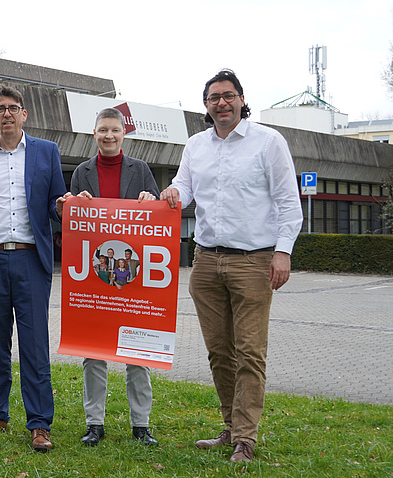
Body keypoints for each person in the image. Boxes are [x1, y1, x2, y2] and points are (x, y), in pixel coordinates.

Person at [160, 69, 303, 463]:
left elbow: (289, 202)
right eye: (213, 98)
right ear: (205, 106)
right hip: (205, 262)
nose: (221, 103)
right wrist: (174, 191)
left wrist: (283, 251)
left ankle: (246, 439)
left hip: (253, 261)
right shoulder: (195, 145)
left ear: (241, 99)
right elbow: (185, 188)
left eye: (228, 96)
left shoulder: (268, 142)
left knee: (249, 352)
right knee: (219, 352)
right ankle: (231, 426)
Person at [0, 84, 66, 452]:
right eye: (1, 108)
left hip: (30, 259)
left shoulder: (46, 152)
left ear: (24, 114)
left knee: (35, 343)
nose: (7, 113)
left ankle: (39, 424)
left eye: (14, 108)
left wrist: (64, 207)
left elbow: (56, 204)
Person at [55, 107, 160, 448]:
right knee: (92, 352)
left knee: (138, 353)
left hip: (134, 278)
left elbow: (158, 221)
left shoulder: (142, 170)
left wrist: (152, 199)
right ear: (95, 133)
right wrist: (72, 204)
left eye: (115, 130)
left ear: (123, 133)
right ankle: (94, 423)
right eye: (103, 130)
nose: (109, 136)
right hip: (94, 279)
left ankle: (141, 424)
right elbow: (71, 228)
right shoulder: (82, 172)